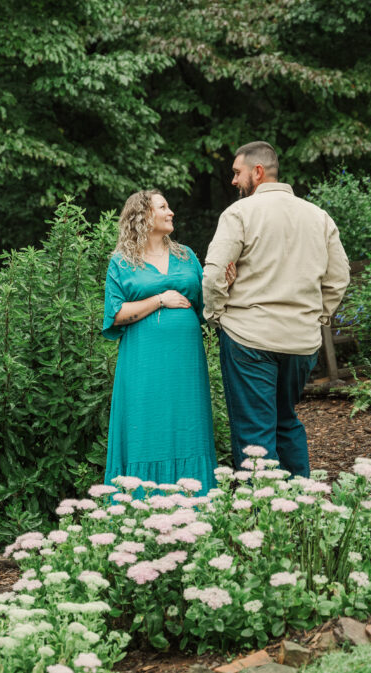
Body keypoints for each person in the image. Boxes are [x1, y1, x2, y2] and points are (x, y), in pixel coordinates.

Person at [202, 141, 350, 478]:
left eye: (237, 172)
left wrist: (216, 315)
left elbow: (213, 274)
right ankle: (301, 506)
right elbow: (339, 276)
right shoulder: (318, 216)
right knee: (286, 420)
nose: (233, 180)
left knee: (254, 431)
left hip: (249, 339)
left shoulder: (239, 214)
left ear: (257, 172)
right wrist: (318, 317)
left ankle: (265, 517)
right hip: (301, 341)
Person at [102, 190, 225, 493]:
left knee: (188, 426)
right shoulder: (122, 262)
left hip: (185, 361)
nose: (171, 212)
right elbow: (115, 314)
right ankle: (141, 501)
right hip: (144, 361)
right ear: (143, 215)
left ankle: (195, 499)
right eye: (163, 207)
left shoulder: (186, 256)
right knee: (146, 427)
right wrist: (159, 299)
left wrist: (225, 283)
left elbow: (205, 304)